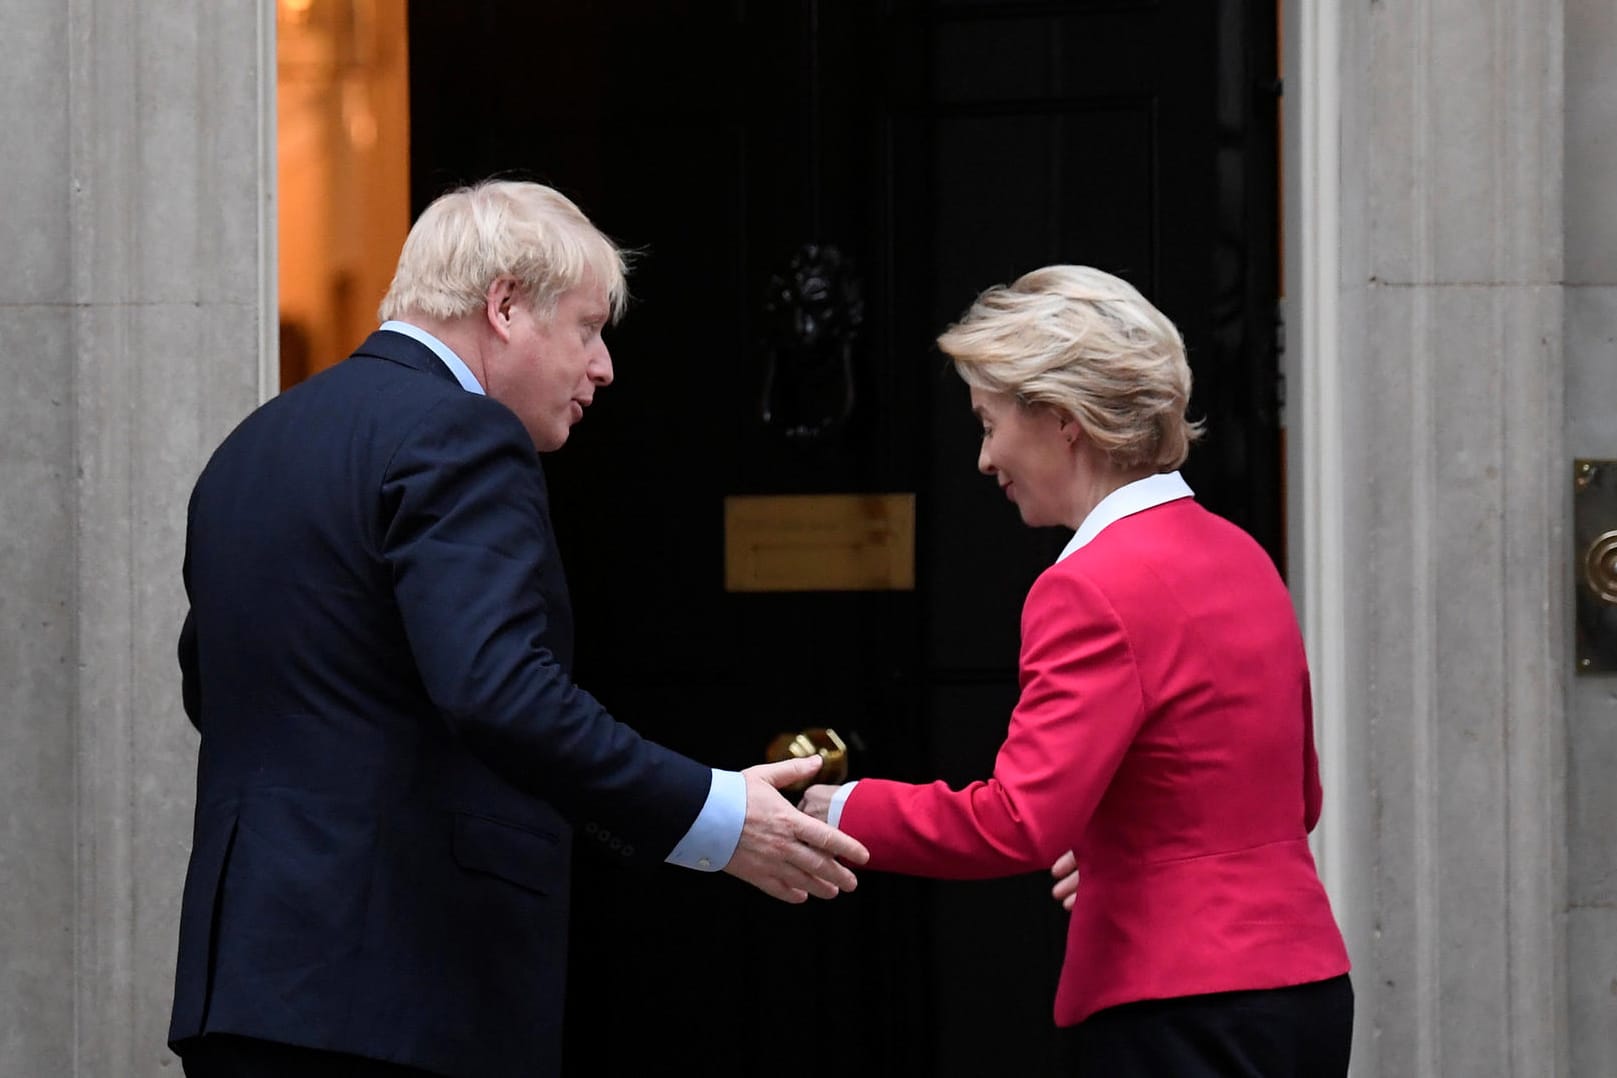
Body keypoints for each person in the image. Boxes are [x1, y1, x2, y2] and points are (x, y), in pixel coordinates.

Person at [168, 179, 869, 1078]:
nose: (603, 366)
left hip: (246, 986)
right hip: (402, 984)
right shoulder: (461, 433)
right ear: (502, 306)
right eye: (586, 328)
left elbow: (217, 688)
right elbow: (498, 690)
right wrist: (713, 813)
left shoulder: (252, 445)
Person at [802, 265, 1352, 1076]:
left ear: (1061, 420)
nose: (985, 458)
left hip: (1175, 1001)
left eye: (988, 423)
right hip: (1303, 990)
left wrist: (844, 810)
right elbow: (1292, 798)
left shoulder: (1087, 585)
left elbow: (1019, 822)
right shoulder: (1240, 555)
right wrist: (1122, 850)